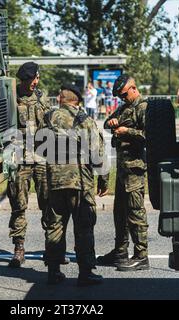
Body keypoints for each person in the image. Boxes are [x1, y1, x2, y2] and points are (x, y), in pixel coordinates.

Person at [44, 84, 109, 286]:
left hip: (55, 180)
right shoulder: (85, 120)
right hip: (80, 181)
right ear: (77, 101)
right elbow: (98, 153)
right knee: (83, 228)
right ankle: (86, 272)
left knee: (54, 226)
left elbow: (38, 146)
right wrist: (104, 179)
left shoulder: (49, 118)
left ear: (60, 99)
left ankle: (53, 271)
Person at [7, 62, 57, 268]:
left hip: (41, 159)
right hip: (19, 158)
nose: (34, 83)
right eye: (30, 80)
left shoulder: (42, 97)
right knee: (18, 205)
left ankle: (52, 248)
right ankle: (19, 249)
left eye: (35, 79)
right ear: (23, 80)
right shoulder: (12, 97)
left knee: (49, 204)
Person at [97, 75, 149, 272]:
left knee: (136, 213)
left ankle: (141, 256)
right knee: (119, 213)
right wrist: (112, 122)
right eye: (119, 96)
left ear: (133, 88)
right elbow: (106, 123)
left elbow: (148, 136)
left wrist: (127, 131)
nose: (122, 98)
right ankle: (120, 252)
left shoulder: (143, 107)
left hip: (134, 169)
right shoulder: (125, 107)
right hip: (122, 170)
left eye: (124, 94)